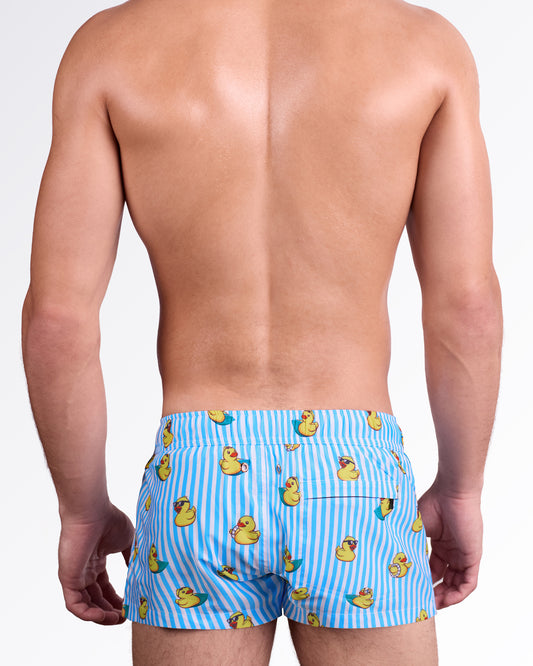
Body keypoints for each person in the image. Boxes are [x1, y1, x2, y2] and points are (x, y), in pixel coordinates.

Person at [21, 0, 503, 664]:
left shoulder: (109, 48)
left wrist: (81, 509)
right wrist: (461, 487)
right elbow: (467, 306)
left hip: (197, 473)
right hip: (355, 472)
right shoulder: (424, 48)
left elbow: (57, 321)